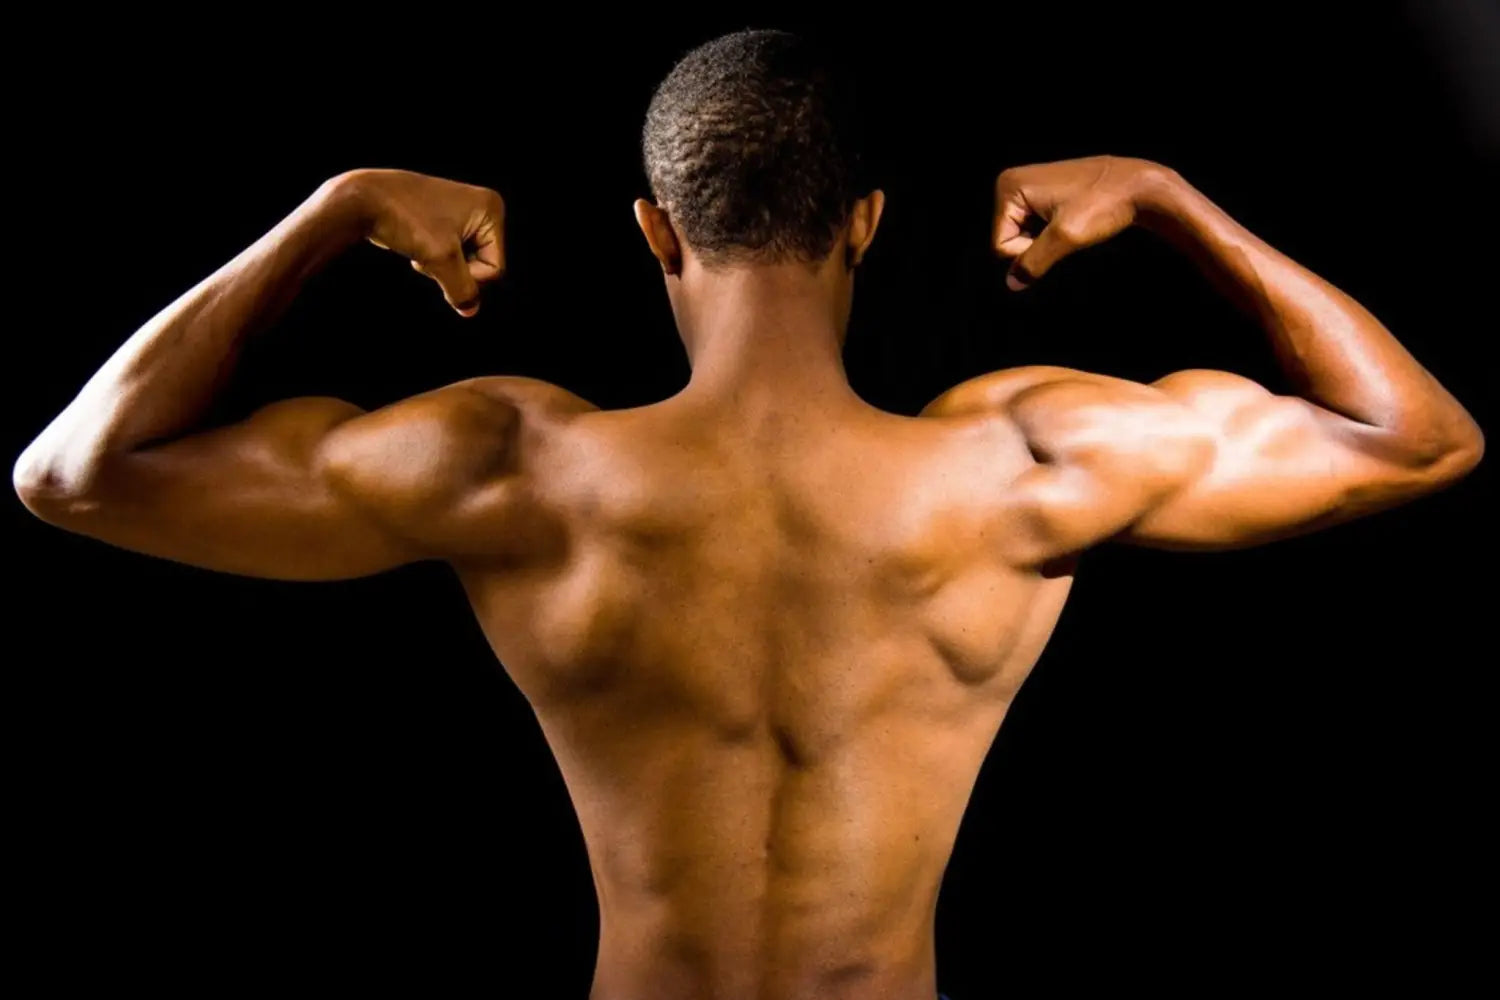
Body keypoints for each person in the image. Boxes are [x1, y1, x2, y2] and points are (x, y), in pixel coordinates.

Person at [12, 28, 1482, 1000]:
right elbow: (1417, 442)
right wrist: (1167, 198)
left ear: (655, 233)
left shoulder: (521, 469)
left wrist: (336, 210)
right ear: (867, 224)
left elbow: (75, 473)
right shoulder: (1025, 466)